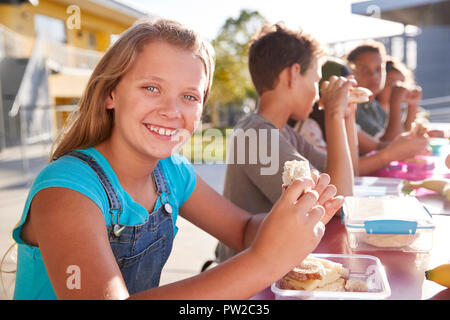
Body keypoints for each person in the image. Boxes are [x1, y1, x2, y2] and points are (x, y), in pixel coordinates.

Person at [5, 18, 344, 300]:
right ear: (111, 93)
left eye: (189, 96)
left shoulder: (171, 172)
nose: (171, 111)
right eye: (151, 88)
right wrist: (264, 260)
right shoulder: (67, 192)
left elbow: (241, 230)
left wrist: (292, 218)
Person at [216, 23, 355, 262]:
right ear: (293, 74)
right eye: (315, 80)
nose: (318, 93)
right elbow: (341, 201)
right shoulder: (255, 135)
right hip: (251, 280)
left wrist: (345, 116)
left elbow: (349, 174)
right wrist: (332, 113)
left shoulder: (286, 134)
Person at [293, 58, 430, 176]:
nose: (373, 76)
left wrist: (408, 145)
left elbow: (356, 166)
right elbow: (344, 175)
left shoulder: (366, 111)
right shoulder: (309, 128)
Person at [376, 57, 422, 133]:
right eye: (391, 84)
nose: (398, 90)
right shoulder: (372, 111)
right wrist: (395, 102)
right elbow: (397, 139)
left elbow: (407, 134)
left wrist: (413, 105)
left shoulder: (400, 110)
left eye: (402, 85)